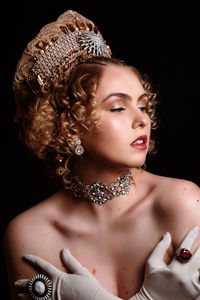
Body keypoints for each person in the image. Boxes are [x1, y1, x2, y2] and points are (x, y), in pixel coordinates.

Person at [3, 9, 200, 300]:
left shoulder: (182, 202)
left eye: (143, 106)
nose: (142, 120)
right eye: (119, 107)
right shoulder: (30, 235)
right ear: (70, 128)